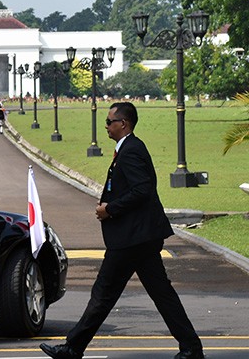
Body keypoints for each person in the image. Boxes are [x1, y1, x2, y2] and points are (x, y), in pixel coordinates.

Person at [40, 102, 204, 359]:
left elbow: (142, 190)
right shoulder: (128, 149)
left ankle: (73, 347)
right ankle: (191, 347)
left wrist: (110, 209)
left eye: (109, 122)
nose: (106, 126)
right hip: (140, 237)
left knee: (104, 293)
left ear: (123, 124)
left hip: (133, 239)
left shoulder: (130, 151)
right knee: (161, 294)